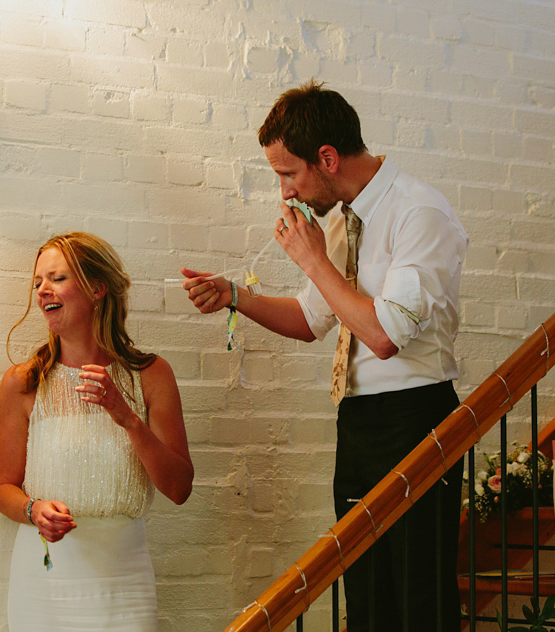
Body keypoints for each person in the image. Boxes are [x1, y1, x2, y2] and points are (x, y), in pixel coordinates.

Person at [181, 81, 467, 632]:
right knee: (365, 598)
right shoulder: (345, 219)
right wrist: (235, 296)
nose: (285, 193)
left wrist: (314, 261)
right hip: (357, 421)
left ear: (327, 158)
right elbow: (313, 320)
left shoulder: (419, 212)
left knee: (419, 601)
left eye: (289, 174)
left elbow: (383, 336)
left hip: (417, 418)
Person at [0, 232, 194, 631]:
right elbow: (4, 489)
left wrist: (126, 417)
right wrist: (33, 511)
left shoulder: (151, 376)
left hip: (123, 579)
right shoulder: (24, 382)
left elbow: (179, 489)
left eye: (57, 278)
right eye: (37, 283)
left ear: (97, 288)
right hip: (45, 580)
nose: (42, 291)